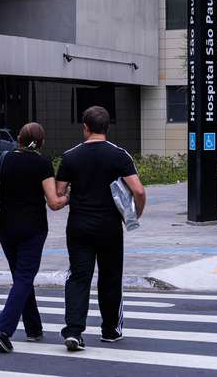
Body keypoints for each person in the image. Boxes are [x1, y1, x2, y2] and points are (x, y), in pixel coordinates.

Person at [0, 122, 69, 353]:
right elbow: (54, 202)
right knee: (24, 278)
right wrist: (69, 197)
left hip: (6, 229)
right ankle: (3, 330)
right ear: (41, 142)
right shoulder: (42, 163)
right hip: (33, 229)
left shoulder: (4, 159)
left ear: (18, 138)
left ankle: (33, 329)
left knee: (21, 277)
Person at [55, 106, 146, 351]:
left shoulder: (70, 156)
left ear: (85, 127)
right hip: (109, 227)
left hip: (78, 226)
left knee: (78, 277)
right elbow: (138, 190)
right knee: (110, 277)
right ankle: (110, 330)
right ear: (107, 127)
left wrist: (72, 193)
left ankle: (74, 331)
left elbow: (59, 193)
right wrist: (134, 214)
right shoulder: (119, 155)